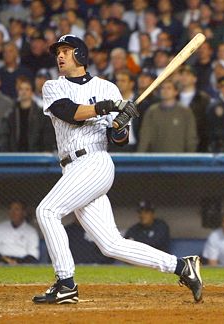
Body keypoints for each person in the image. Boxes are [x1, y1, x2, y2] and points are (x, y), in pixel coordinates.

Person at [32, 35, 203, 305]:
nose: (60, 56)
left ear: (80, 54)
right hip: (72, 168)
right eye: (58, 52)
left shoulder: (107, 87)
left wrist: (120, 125)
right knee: (110, 244)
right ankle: (182, 267)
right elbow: (68, 112)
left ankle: (65, 282)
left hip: (95, 162)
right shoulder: (53, 86)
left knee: (47, 211)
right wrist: (108, 108)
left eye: (66, 51)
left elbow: (119, 140)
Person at [137, 78, 198, 152]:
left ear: (176, 92)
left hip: (180, 158)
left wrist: (190, 157)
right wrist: (140, 155)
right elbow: (145, 136)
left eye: (169, 88)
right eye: (163, 88)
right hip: (156, 157)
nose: (165, 91)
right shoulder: (152, 111)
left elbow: (191, 137)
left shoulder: (185, 112)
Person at [1, 77, 56, 152]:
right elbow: (5, 136)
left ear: (32, 92)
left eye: (27, 89)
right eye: (21, 89)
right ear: (18, 92)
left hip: (36, 156)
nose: (23, 92)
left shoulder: (41, 115)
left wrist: (46, 151)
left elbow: (47, 135)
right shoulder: (10, 115)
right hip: (15, 156)